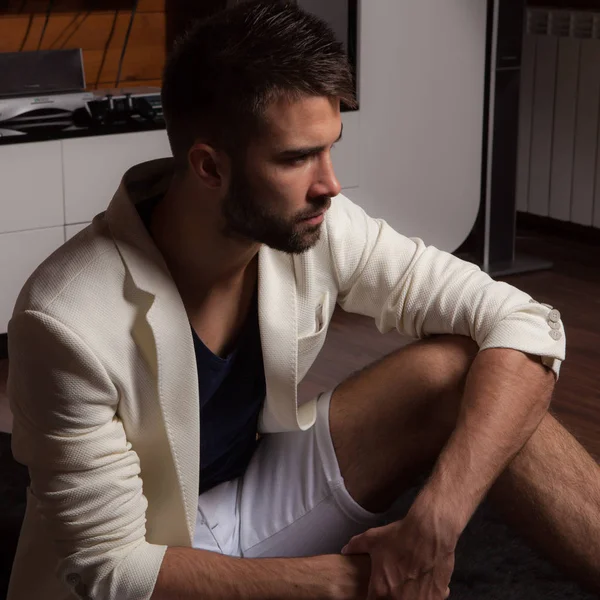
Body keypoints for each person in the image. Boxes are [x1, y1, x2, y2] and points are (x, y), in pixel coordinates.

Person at [6, 1, 600, 599]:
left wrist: (435, 523)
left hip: (254, 493)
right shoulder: (65, 320)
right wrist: (364, 580)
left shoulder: (319, 228)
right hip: (155, 561)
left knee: (455, 368)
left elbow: (523, 320)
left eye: (330, 147)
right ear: (209, 167)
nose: (330, 185)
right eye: (296, 158)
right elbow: (114, 572)